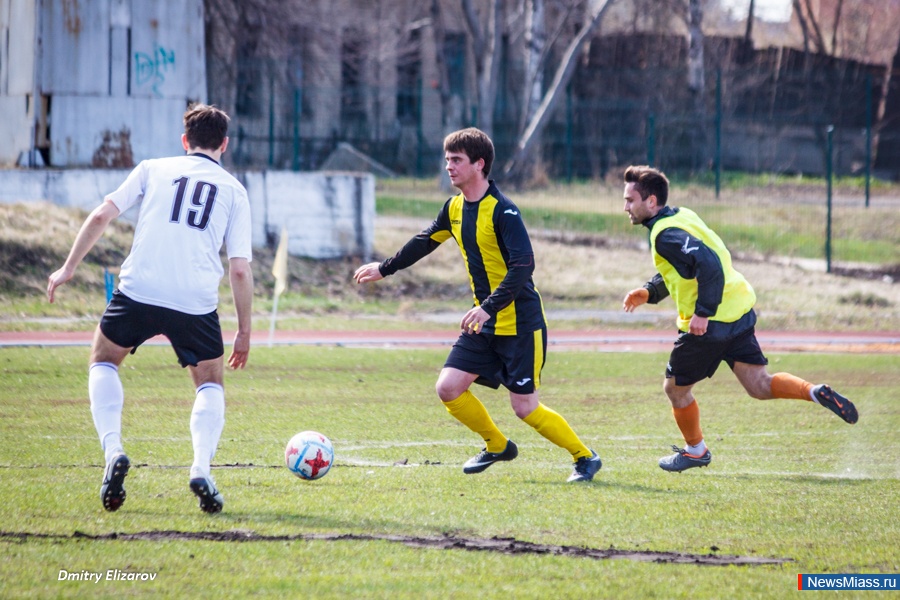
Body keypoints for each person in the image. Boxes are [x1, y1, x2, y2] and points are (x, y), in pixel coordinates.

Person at [354, 127, 601, 482]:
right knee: (448, 387)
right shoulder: (454, 207)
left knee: (525, 407)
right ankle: (497, 445)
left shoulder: (504, 211)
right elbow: (425, 241)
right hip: (483, 323)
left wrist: (488, 307)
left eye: (456, 160)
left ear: (479, 164)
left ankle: (585, 457)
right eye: (447, 160)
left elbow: (523, 266)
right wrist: (384, 267)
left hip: (520, 323)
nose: (448, 167)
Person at [47, 104, 254, 512]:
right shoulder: (233, 190)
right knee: (209, 381)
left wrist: (69, 266)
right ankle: (200, 469)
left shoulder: (153, 168)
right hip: (194, 300)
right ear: (224, 145)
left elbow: (103, 213)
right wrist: (245, 331)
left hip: (139, 289)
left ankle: (113, 452)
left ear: (184, 141)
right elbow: (240, 270)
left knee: (104, 360)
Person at [620, 165, 858, 472]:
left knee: (675, 389)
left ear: (651, 201)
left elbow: (708, 265)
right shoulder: (681, 216)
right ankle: (814, 392)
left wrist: (703, 313)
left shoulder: (665, 235)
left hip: (710, 323)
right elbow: (687, 266)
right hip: (739, 311)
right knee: (759, 385)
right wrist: (650, 291)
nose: (625, 207)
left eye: (630, 200)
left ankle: (696, 451)